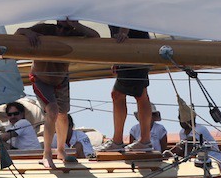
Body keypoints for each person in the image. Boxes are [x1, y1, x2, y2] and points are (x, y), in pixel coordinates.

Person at [18, 18, 97, 165]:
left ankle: (61, 151)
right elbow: (19, 32)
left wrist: (77, 26)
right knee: (52, 111)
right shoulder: (45, 29)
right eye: (59, 26)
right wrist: (28, 33)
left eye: (66, 29)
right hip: (41, 79)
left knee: (63, 116)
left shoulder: (73, 35)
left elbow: (96, 37)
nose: (61, 31)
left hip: (61, 80)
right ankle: (47, 154)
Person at [107, 25, 154, 153]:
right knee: (140, 94)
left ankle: (119, 141)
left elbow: (127, 11)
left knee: (119, 94)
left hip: (134, 47)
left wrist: (123, 31)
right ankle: (144, 140)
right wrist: (117, 59)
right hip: (132, 48)